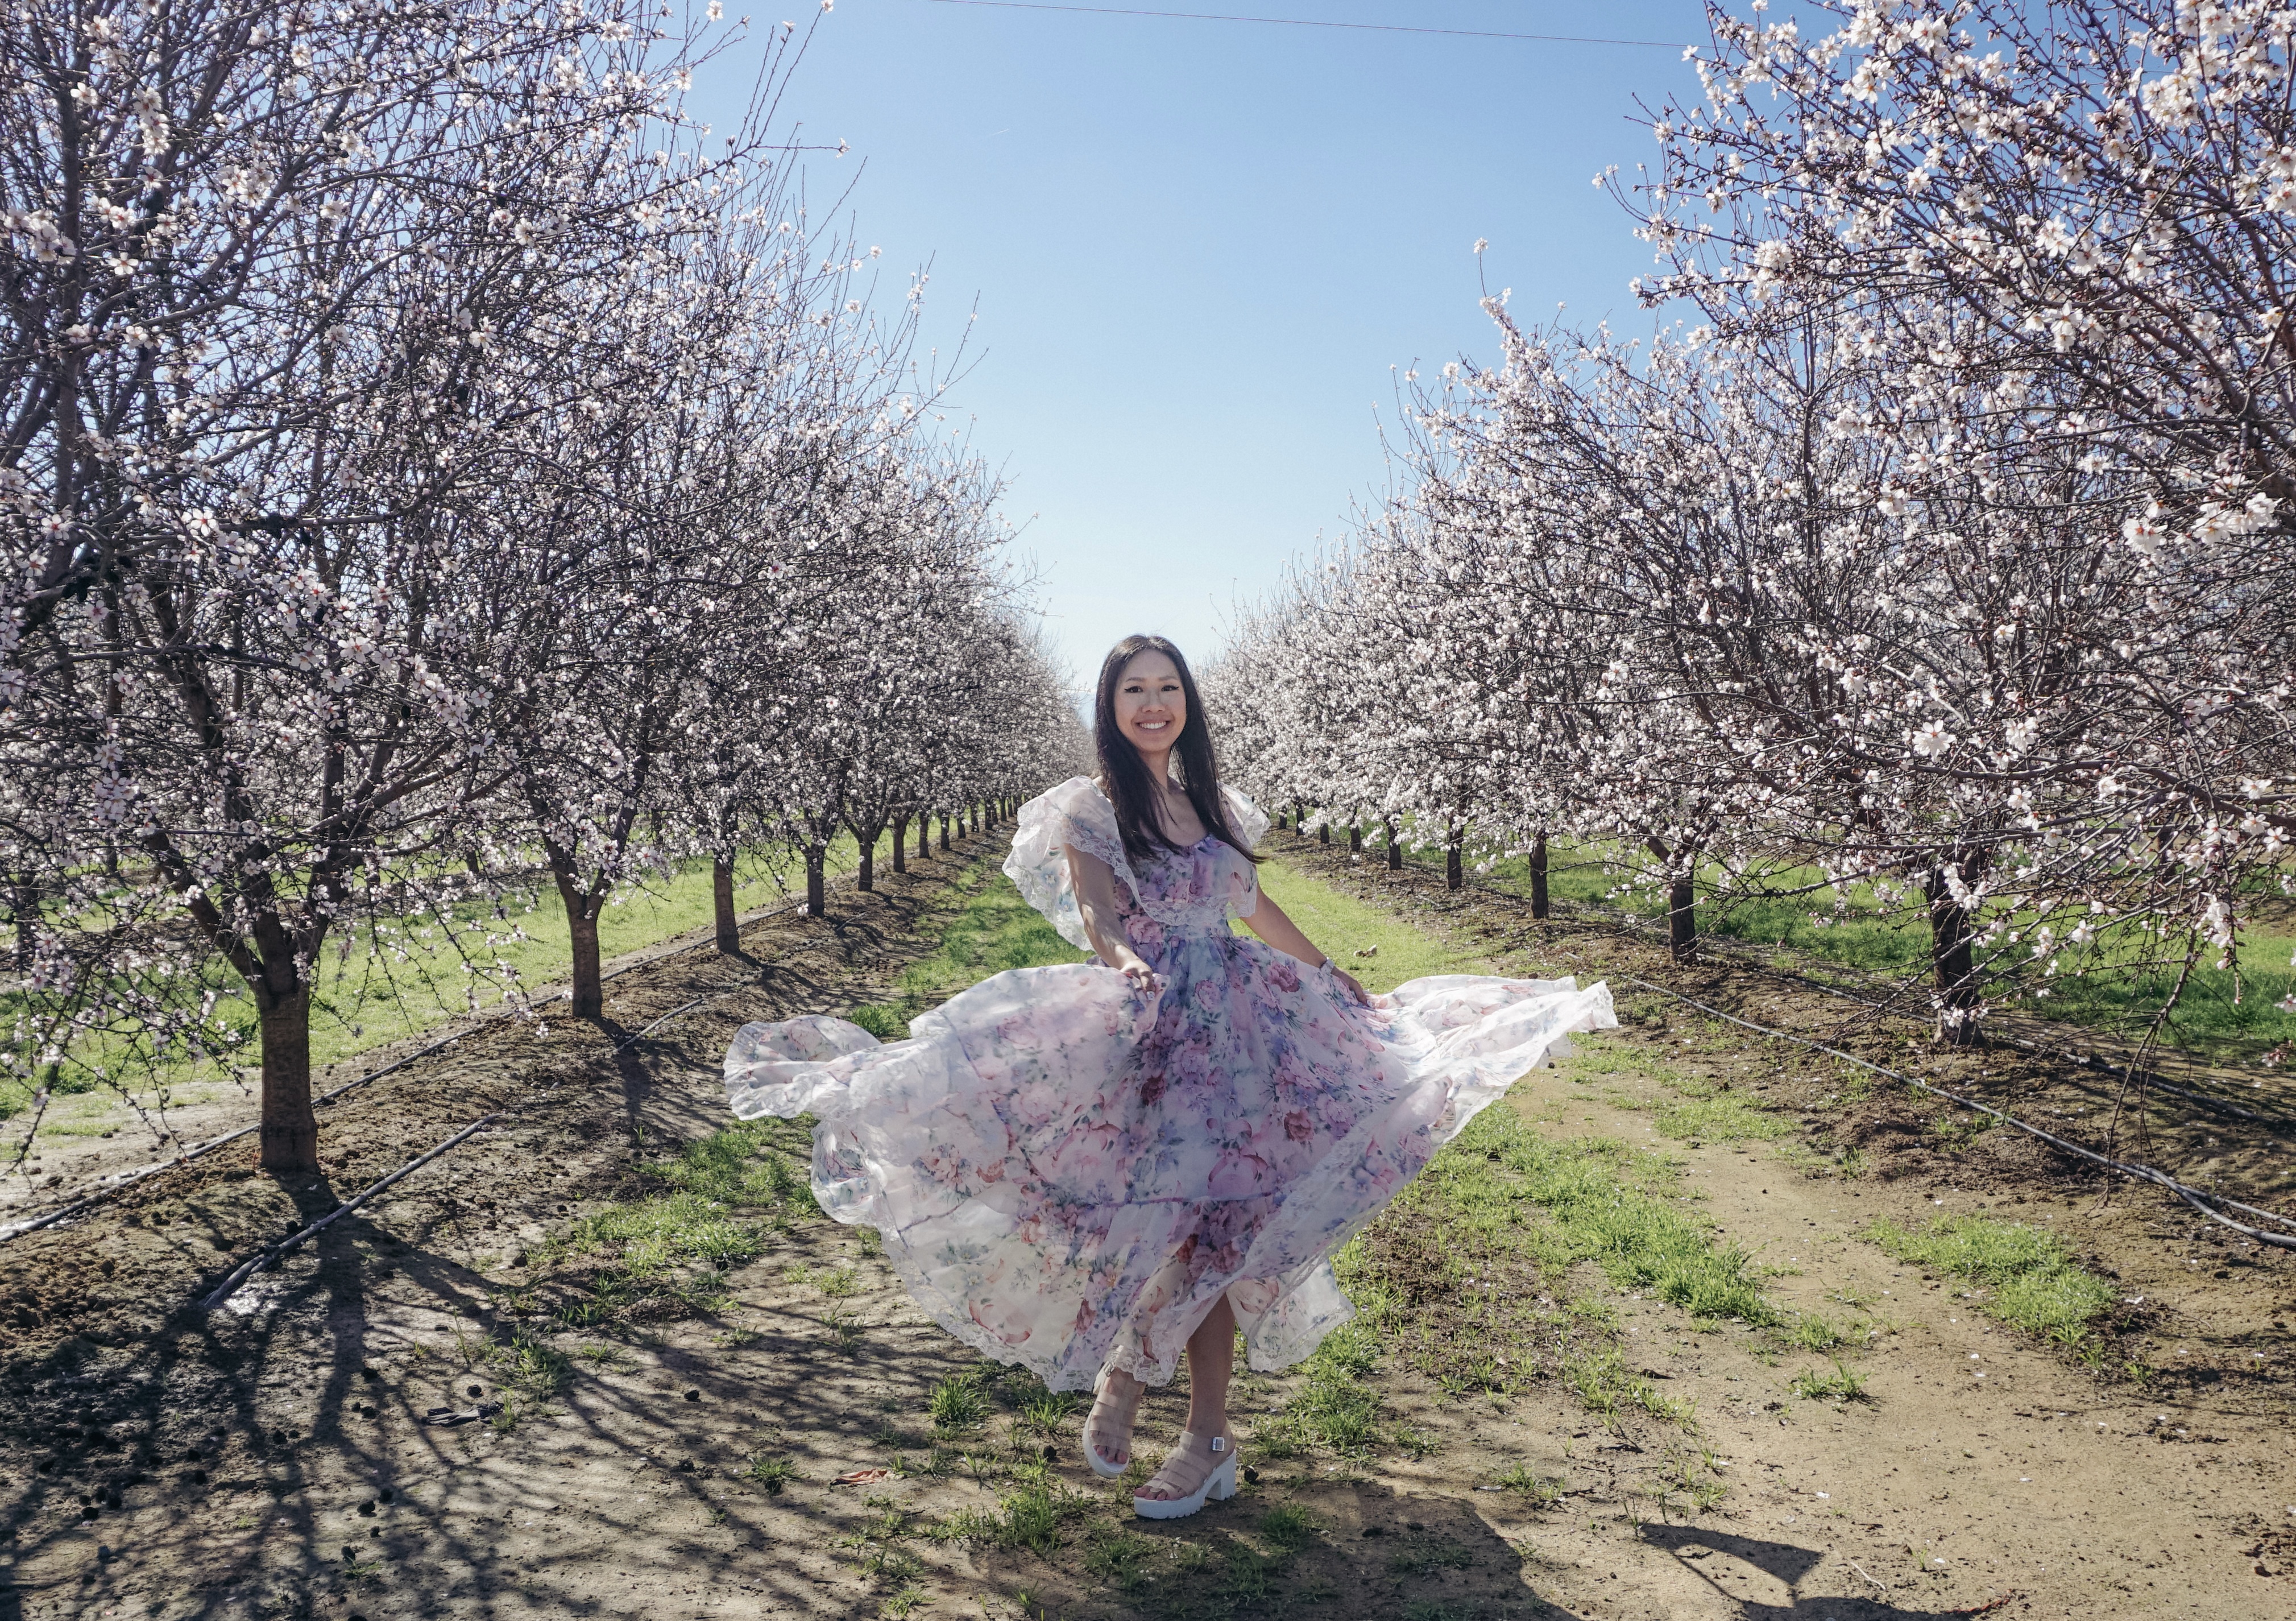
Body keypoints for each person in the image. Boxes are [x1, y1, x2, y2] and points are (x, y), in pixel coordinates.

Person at [723, 634, 1616, 1520]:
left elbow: (1252, 905)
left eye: (1167, 687)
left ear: (1185, 700)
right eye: (1132, 691)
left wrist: (1327, 969)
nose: (1153, 704)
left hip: (1242, 1030)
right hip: (1155, 1030)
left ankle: (1203, 1437)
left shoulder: (1210, 801)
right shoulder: (1091, 807)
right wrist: (1121, 960)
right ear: (1109, 710)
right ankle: (1130, 1374)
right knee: (1161, 1219)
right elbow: (1095, 907)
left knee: (1222, 1228)